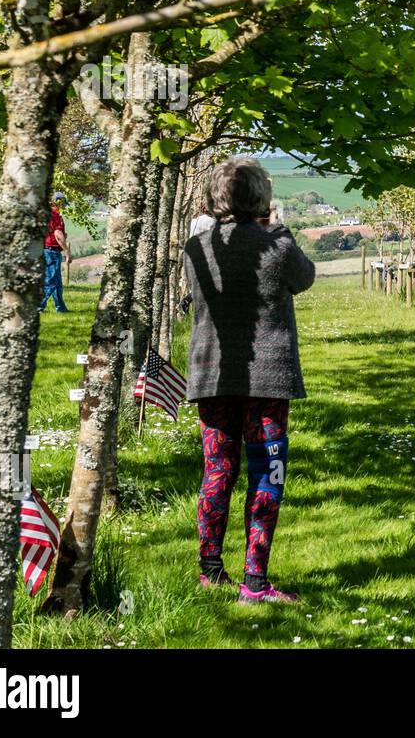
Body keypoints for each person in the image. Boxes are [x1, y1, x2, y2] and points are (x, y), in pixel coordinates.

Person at [183, 157, 316, 604]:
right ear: (261, 197)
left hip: (212, 374)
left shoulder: (197, 247)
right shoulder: (274, 245)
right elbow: (304, 277)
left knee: (218, 471)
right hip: (267, 378)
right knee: (266, 473)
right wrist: (279, 229)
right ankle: (255, 581)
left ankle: (210, 569)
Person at [39, 192, 70, 313]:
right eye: (63, 204)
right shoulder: (55, 215)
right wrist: (67, 252)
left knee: (57, 282)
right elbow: (58, 234)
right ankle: (38, 306)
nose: (64, 207)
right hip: (52, 252)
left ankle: (61, 308)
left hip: (45, 250)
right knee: (51, 281)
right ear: (59, 202)